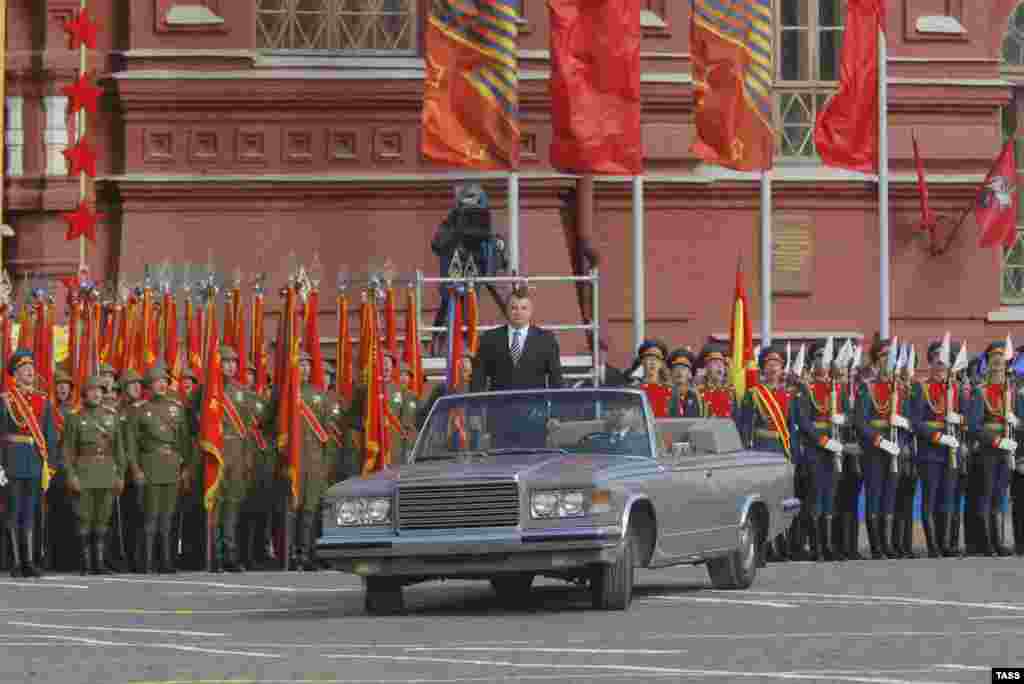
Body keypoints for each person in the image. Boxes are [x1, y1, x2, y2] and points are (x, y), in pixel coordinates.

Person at [126, 365, 192, 573]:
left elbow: (184, 441)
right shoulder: (139, 410)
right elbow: (131, 443)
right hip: (150, 465)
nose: (162, 384)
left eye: (164, 380)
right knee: (150, 516)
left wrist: (186, 467)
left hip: (172, 465)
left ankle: (166, 562)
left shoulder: (177, 407)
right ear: (149, 386)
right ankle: (146, 562)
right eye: (157, 381)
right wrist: (136, 469)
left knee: (168, 516)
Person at [0, 351, 59, 578]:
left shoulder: (42, 401)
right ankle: (16, 562)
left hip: (35, 463)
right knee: (14, 512)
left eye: (32, 367)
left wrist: (50, 465)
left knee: (31, 513)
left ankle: (30, 561)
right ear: (15, 374)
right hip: (13, 462)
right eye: (25, 368)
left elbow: (50, 436)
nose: (30, 371)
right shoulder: (6, 400)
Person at [738, 346, 797, 563]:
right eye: (769, 364)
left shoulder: (788, 395)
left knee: (782, 500)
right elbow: (745, 427)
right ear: (763, 368)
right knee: (763, 501)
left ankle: (781, 547)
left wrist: (793, 457)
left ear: (782, 369)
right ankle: (761, 550)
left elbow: (792, 429)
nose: (773, 368)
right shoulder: (754, 395)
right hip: (762, 450)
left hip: (781, 452)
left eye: (778, 364)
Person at [63, 375, 126, 575]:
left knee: (103, 518)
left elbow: (120, 450)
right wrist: (71, 475)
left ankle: (99, 563)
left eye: (100, 390)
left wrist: (121, 475)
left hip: (107, 472)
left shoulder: (112, 416)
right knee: (84, 518)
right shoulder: (75, 418)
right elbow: (68, 451)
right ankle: (86, 563)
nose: (97, 393)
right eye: (92, 390)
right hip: (84, 473)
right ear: (84, 394)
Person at [855, 337, 911, 560]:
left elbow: (910, 420)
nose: (889, 360)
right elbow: (860, 421)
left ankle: (887, 544)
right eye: (885, 356)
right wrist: (880, 441)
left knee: (890, 497)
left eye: (892, 356)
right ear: (877, 360)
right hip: (875, 450)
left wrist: (903, 436)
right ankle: (876, 546)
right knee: (875, 495)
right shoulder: (868, 388)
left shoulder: (899, 388)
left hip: (895, 449)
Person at [795, 342, 848, 562]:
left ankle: (828, 546)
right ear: (812, 361)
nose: (822, 361)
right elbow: (805, 423)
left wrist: (842, 420)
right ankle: (816, 547)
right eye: (818, 357)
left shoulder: (837, 388)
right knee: (816, 498)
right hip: (816, 450)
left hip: (833, 450)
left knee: (831, 497)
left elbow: (849, 416)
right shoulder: (806, 389)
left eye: (826, 357)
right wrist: (825, 442)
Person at [966, 340, 1019, 557]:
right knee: (986, 495)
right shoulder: (981, 392)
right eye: (994, 362)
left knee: (1000, 496)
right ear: (988, 365)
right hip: (989, 449)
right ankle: (986, 542)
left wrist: (1015, 421)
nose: (998, 366)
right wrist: (996, 441)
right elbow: (974, 426)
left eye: (1001, 363)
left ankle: (999, 541)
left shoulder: (1010, 392)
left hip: (1006, 449)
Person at [910, 341, 962, 558]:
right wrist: (939, 436)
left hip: (951, 453)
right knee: (930, 499)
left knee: (947, 498)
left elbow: (968, 418)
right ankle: (933, 546)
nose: (941, 366)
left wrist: (958, 418)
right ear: (930, 362)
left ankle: (946, 544)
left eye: (944, 362)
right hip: (930, 452)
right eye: (937, 361)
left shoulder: (954, 389)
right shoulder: (921, 387)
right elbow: (916, 421)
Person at [471, 286, 563, 392]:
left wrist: (558, 407)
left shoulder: (546, 340)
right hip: (498, 407)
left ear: (531, 311)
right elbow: (478, 379)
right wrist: (476, 407)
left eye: (524, 308)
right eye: (514, 308)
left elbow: (557, 381)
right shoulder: (489, 338)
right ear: (507, 310)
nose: (518, 313)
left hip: (534, 407)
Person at [697, 343, 737, 420]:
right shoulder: (698, 392)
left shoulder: (731, 392)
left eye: (722, 363)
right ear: (707, 367)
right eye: (715, 362)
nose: (719, 366)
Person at [636, 340, 671, 418]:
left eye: (657, 358)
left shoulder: (671, 391)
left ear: (661, 363)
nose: (653, 362)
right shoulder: (635, 390)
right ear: (642, 361)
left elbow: (677, 422)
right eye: (649, 358)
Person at [666, 349, 701, 418]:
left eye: (683, 368)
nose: (680, 372)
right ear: (671, 373)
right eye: (676, 368)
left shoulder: (697, 397)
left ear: (690, 374)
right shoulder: (666, 396)